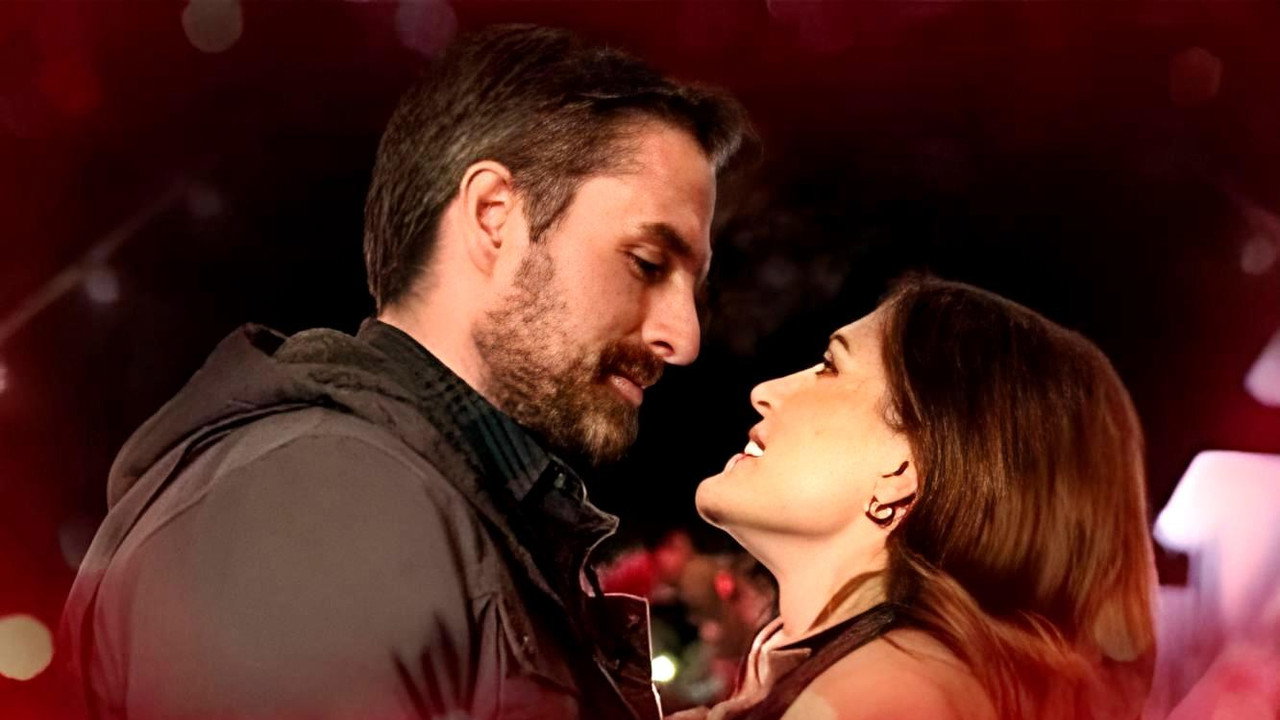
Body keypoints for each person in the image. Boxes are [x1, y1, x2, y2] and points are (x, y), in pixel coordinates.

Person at [61, 24, 748, 720]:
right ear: (494, 216)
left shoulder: (423, 506)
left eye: (692, 287)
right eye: (647, 263)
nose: (684, 337)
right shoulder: (322, 507)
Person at [682, 277, 1156, 720]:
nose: (764, 392)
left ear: (903, 471)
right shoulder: (889, 675)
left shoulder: (878, 699)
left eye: (830, 366)